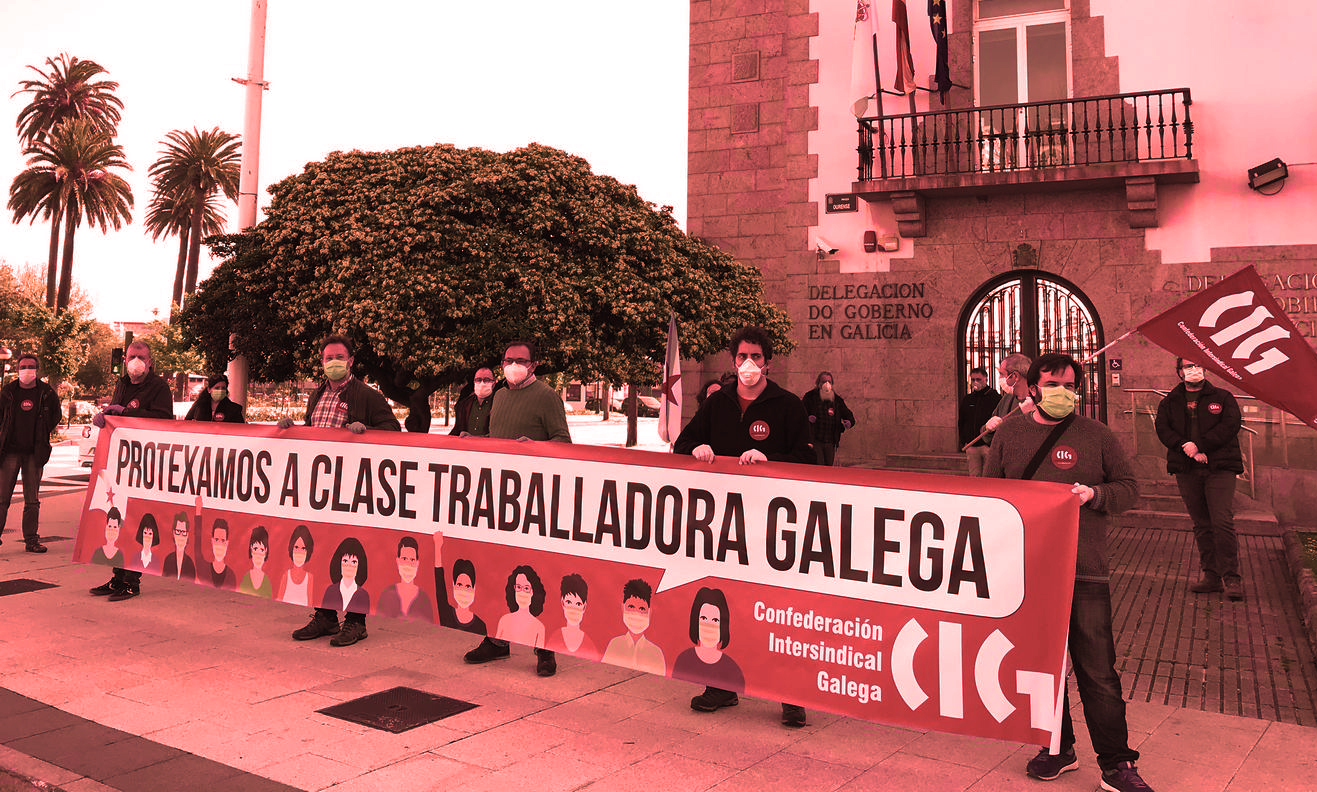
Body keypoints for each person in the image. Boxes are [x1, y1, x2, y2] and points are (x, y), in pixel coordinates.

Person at [984, 353, 1152, 792]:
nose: (1063, 392)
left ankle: (1117, 763)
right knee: (1042, 668)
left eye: (1070, 385)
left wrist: (1094, 495)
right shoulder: (1010, 434)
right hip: (1028, 573)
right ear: (1033, 387)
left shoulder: (1096, 435)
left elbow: (1129, 488)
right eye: (1053, 384)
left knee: (1098, 672)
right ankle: (1057, 748)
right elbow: (990, 495)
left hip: (1084, 570)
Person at [672, 325, 813, 728]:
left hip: (773, 525)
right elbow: (682, 445)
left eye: (755, 356)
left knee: (778, 608)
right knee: (724, 602)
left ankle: (789, 694)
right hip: (723, 525)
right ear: (732, 361)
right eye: (741, 356)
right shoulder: (717, 404)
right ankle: (721, 686)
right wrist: (697, 448)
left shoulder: (787, 405)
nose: (748, 363)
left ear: (768, 362)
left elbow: (809, 461)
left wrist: (772, 461)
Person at [283, 334, 400, 647]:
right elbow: (313, 432)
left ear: (351, 361)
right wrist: (292, 430)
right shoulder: (317, 395)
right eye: (327, 358)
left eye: (339, 357)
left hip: (353, 489)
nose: (333, 362)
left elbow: (394, 431)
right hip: (321, 489)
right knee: (320, 549)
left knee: (353, 552)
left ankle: (356, 621)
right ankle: (325, 616)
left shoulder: (367, 395)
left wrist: (366, 431)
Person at [463, 339, 571, 677]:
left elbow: (563, 442)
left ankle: (545, 648)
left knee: (537, 573)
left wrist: (536, 447)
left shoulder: (547, 396)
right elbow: (499, 441)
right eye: (508, 360)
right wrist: (474, 444)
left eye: (521, 361)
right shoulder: (500, 396)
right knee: (498, 570)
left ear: (534, 365)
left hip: (534, 501)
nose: (514, 365)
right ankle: (497, 640)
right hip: (500, 498)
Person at [1155, 358, 1245, 601]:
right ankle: (1212, 576)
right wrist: (1185, 446)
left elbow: (1230, 425)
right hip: (1186, 468)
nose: (1193, 370)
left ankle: (1232, 578)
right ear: (1179, 372)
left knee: (1222, 521)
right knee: (1202, 524)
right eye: (1187, 366)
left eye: (1197, 365)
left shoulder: (1223, 397)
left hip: (1220, 467)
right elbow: (1163, 429)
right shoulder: (1170, 401)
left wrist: (1201, 446)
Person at [90, 341, 173, 602]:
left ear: (150, 362)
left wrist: (127, 411)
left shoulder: (159, 387)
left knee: (139, 520)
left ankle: (131, 581)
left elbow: (164, 420)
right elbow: (118, 419)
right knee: (119, 517)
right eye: (131, 356)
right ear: (124, 360)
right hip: (122, 461)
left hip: (145, 462)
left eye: (141, 357)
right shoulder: (122, 384)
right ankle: (117, 576)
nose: (135, 361)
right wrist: (106, 417)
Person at [0, 353, 61, 553]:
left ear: (37, 370)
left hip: (34, 453)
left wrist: (43, 432)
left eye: (30, 366)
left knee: (32, 500)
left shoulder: (46, 393)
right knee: (2, 498)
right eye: (23, 366)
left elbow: (56, 415)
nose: (27, 370)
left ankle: (31, 540)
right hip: (9, 452)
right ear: (17, 369)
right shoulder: (8, 392)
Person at [671, 587, 744, 694]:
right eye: (703, 618)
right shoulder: (683, 660)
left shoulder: (732, 668)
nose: (708, 626)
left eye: (715, 620)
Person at [600, 578, 666, 676]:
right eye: (631, 607)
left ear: (649, 612)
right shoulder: (615, 644)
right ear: (623, 608)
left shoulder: (656, 653)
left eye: (642, 609)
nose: (636, 613)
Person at [432, 530, 487, 635]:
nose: (463, 591)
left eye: (467, 586)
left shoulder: (480, 626)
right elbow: (440, 585)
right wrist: (437, 547)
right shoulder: (446, 613)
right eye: (459, 585)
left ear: (474, 589)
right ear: (453, 586)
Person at [800, 371, 856, 466]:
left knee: (828, 466)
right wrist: (808, 419)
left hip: (830, 441)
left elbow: (848, 415)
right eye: (824, 381)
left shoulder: (837, 400)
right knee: (819, 465)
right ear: (818, 383)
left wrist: (849, 422)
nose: (826, 384)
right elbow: (800, 413)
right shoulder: (810, 397)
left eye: (829, 382)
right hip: (815, 439)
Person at [980, 353, 1033, 449]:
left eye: (1001, 374)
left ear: (1015, 376)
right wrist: (987, 429)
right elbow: (991, 438)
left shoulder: (1037, 401)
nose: (999, 378)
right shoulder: (1007, 399)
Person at [377, 536, 433, 619]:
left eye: (412, 560)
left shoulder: (424, 600)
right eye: (404, 559)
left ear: (417, 563)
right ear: (398, 561)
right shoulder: (386, 596)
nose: (408, 564)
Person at [545, 573, 599, 659]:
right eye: (569, 602)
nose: (573, 609)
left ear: (584, 606)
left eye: (578, 604)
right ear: (562, 603)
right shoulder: (555, 637)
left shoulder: (589, 644)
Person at [958, 367, 1000, 476]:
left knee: (989, 476)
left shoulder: (995, 398)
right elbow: (961, 421)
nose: (975, 382)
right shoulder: (968, 399)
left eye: (978, 379)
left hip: (988, 446)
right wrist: (964, 440)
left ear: (986, 379)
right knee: (974, 476)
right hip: (972, 445)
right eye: (973, 379)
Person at [494, 565, 548, 648]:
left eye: (526, 588)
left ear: (533, 591)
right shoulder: (504, 621)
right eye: (518, 587)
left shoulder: (539, 627)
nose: (521, 593)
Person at [319, 537, 371, 621]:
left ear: (360, 565)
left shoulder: (363, 595)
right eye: (345, 561)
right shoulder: (330, 591)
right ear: (339, 563)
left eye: (354, 562)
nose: (349, 566)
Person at [275, 525, 317, 606]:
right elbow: (279, 600)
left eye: (303, 548)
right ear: (291, 548)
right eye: (296, 547)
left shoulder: (310, 578)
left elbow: (310, 604)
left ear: (308, 551)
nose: (299, 552)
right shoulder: (285, 575)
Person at [450, 367, 498, 437]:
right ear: (474, 382)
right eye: (478, 380)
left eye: (486, 380)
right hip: (466, 444)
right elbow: (457, 429)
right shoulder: (464, 404)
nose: (482, 383)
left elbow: (498, 433)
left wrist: (474, 438)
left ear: (494, 383)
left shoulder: (498, 404)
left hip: (491, 444)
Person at [238, 525, 274, 598]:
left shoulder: (267, 583)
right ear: (251, 549)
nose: (258, 554)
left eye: (262, 550)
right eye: (255, 549)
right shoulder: (245, 579)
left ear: (266, 552)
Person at [203, 519, 238, 590]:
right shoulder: (204, 571)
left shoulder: (231, 576)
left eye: (222, 540)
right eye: (216, 539)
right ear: (212, 541)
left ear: (227, 543)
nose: (219, 545)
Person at [161, 511, 196, 582]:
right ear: (173, 533)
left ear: (187, 535)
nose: (180, 536)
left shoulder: (190, 564)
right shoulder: (168, 560)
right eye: (178, 531)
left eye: (183, 532)